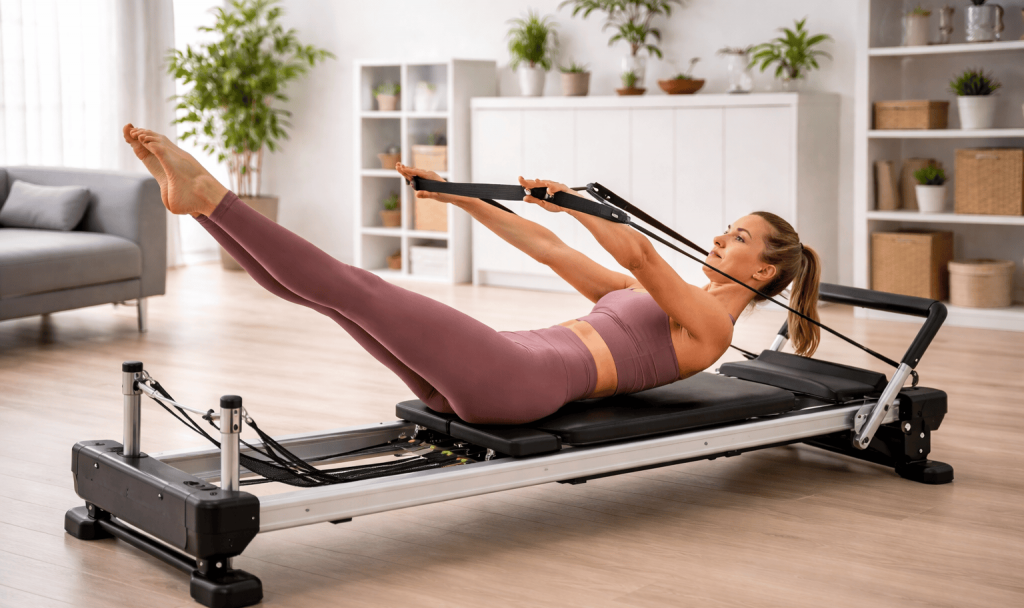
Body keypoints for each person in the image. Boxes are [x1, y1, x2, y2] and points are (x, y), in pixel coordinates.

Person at [122, 123, 820, 425]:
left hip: (523, 379)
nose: (721, 237)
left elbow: (636, 253)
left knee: (357, 287)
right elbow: (545, 247)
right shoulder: (670, 300)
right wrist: (454, 192)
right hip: (511, 361)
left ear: (763, 270)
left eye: (739, 238)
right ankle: (203, 211)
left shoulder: (712, 326)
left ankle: (212, 197)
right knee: (337, 301)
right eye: (728, 228)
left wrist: (580, 201)